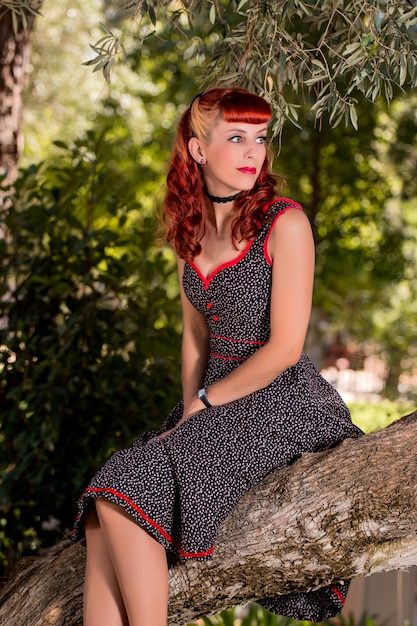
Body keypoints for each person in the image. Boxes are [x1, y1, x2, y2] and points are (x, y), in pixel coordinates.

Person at [72, 87, 363, 625]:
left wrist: (206, 401)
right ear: (198, 149)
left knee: (124, 487)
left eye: (259, 138)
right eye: (236, 138)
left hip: (284, 401)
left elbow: (285, 348)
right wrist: (189, 405)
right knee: (100, 510)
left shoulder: (286, 223)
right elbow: (195, 337)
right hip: (214, 399)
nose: (254, 152)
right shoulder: (191, 233)